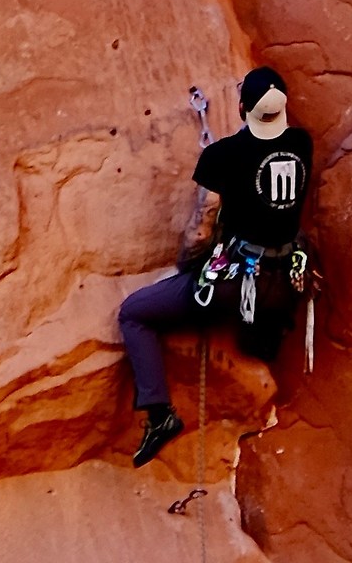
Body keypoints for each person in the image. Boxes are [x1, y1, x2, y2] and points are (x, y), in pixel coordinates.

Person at [119, 66, 315, 467]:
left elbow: (203, 220)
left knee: (134, 313)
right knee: (256, 340)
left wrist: (189, 267)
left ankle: (160, 416)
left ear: (242, 108)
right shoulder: (302, 144)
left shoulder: (222, 155)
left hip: (237, 285)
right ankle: (261, 340)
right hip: (286, 285)